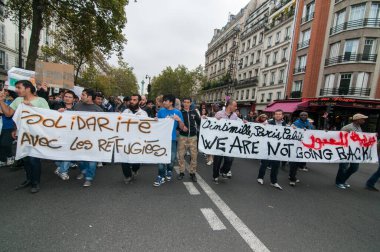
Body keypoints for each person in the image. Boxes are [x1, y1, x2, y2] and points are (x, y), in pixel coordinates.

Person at [0, 80, 50, 193]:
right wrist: (1, 101)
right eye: (16, 87)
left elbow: (48, 118)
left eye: (19, 87)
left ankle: (35, 182)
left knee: (33, 159)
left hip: (37, 135)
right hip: (22, 135)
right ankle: (28, 179)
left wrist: (32, 107)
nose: (16, 90)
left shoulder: (41, 101)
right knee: (25, 158)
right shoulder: (18, 100)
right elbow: (8, 113)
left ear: (28, 88)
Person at [73, 89, 104, 187]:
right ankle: (84, 171)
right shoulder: (77, 106)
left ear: (89, 97)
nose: (81, 96)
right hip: (79, 138)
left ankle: (89, 178)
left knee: (91, 160)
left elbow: (103, 125)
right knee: (81, 159)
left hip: (93, 139)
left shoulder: (98, 109)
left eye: (83, 95)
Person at [154, 94, 185, 187]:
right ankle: (160, 176)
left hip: (172, 139)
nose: (163, 102)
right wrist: (155, 120)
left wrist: (179, 120)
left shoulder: (178, 112)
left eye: (165, 101)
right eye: (163, 101)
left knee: (172, 159)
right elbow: (157, 125)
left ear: (171, 102)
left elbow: (182, 127)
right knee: (161, 159)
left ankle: (169, 170)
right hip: (161, 139)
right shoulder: (161, 111)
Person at [335, 113, 368, 189]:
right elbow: (339, 136)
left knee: (354, 168)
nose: (364, 120)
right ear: (357, 120)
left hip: (355, 151)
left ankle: (343, 180)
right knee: (343, 167)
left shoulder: (359, 127)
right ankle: (339, 182)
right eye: (362, 119)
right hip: (346, 150)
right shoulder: (347, 127)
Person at [212, 99, 241, 184]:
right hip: (219, 140)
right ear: (230, 106)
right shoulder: (219, 114)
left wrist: (245, 123)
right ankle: (215, 176)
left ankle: (223, 171)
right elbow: (212, 125)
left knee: (230, 159)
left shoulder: (235, 116)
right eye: (235, 106)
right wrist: (213, 120)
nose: (236, 107)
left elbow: (240, 125)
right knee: (218, 160)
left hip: (229, 141)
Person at [121, 94, 148, 184]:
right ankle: (128, 176)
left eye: (134, 100)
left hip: (137, 141)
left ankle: (135, 169)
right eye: (131, 99)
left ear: (139, 102)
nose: (132, 101)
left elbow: (147, 126)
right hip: (125, 139)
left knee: (136, 161)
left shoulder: (143, 113)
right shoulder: (125, 111)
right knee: (124, 159)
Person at [256, 109, 286, 190]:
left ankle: (274, 181)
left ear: (282, 116)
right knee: (264, 163)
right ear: (274, 115)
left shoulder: (284, 124)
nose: (278, 115)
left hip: (277, 148)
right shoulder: (268, 122)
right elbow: (260, 128)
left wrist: (293, 128)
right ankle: (260, 177)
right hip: (268, 146)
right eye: (276, 114)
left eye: (279, 114)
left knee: (276, 165)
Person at [53, 90, 77, 180]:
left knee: (68, 153)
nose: (67, 98)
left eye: (70, 97)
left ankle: (63, 171)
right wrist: (57, 112)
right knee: (57, 153)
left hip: (72, 135)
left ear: (74, 99)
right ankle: (60, 166)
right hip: (59, 134)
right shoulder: (57, 106)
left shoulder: (77, 108)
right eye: (66, 96)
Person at [177, 98, 201, 182]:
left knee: (194, 156)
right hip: (182, 137)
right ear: (182, 103)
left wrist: (205, 118)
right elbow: (176, 125)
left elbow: (200, 123)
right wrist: (181, 128)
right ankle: (181, 172)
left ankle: (192, 173)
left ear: (190, 103)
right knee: (181, 155)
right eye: (185, 102)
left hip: (193, 137)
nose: (186, 104)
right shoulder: (179, 112)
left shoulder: (194, 112)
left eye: (188, 102)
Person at [288, 111, 314, 186]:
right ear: (299, 116)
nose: (303, 116)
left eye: (305, 115)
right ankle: (292, 178)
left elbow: (313, 132)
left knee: (297, 163)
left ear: (307, 116)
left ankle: (292, 175)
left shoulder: (309, 124)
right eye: (302, 115)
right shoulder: (295, 123)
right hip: (295, 146)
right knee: (294, 163)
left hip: (304, 146)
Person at [0, 89, 17, 167]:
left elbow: (6, 112)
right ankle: (2, 159)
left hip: (8, 127)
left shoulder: (10, 103)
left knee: (5, 143)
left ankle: (10, 156)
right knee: (1, 144)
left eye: (3, 93)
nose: (2, 95)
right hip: (1, 127)